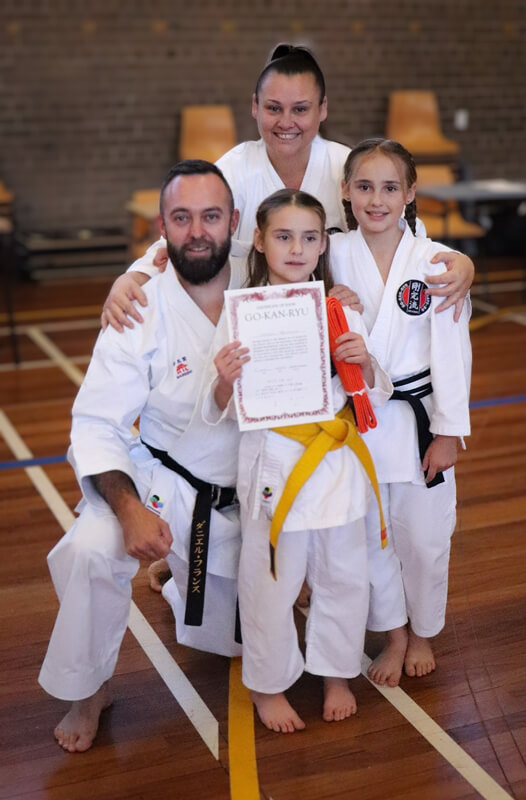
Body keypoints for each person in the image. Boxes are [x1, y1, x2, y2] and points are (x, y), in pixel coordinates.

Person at [38, 160, 245, 753]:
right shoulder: (138, 305)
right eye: (182, 219)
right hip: (159, 485)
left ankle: (180, 581)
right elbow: (96, 424)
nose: (197, 231)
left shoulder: (267, 284)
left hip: (239, 499)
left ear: (234, 221)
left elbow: (330, 240)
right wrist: (128, 510)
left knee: (227, 645)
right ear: (162, 227)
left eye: (211, 216)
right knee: (89, 547)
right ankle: (89, 689)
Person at [100, 44, 474, 333]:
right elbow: (188, 234)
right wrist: (132, 276)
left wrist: (461, 264)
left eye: (300, 109)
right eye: (274, 108)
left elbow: (406, 238)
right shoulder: (233, 169)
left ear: (323, 109)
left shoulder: (348, 168)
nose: (286, 123)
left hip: (339, 329)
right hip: (254, 328)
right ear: (255, 107)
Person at [205, 188, 392, 733]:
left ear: (322, 244)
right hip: (276, 466)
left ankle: (336, 671)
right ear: (260, 241)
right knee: (270, 582)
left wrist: (367, 363)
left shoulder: (340, 308)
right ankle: (268, 685)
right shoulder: (240, 313)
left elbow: (372, 395)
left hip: (336, 464)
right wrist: (225, 380)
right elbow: (216, 407)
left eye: (310, 237)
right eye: (283, 236)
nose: (296, 248)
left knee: (344, 576)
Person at [330, 139, 472, 687]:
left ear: (410, 193)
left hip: (418, 420)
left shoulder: (435, 262)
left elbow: (453, 356)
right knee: (372, 535)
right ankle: (392, 633)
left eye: (390, 187)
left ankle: (424, 632)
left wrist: (449, 433)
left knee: (425, 536)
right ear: (345, 192)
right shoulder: (333, 254)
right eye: (363, 186)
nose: (376, 199)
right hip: (359, 419)